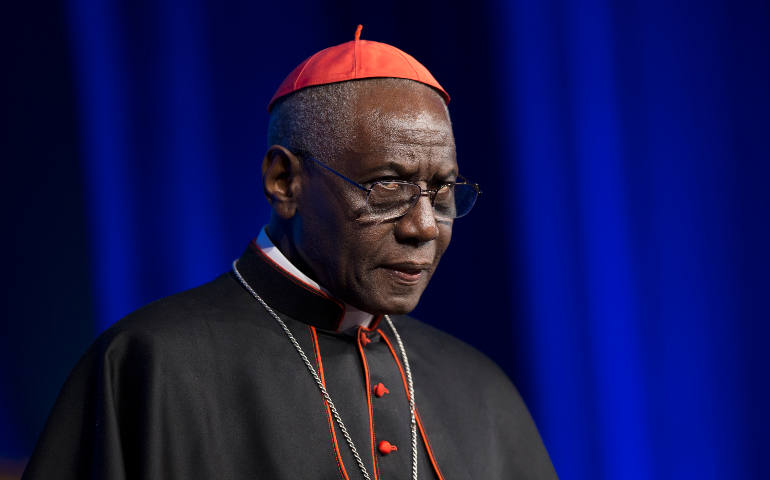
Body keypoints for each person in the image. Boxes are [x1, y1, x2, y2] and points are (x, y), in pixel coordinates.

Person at [23, 26, 557, 480]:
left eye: (441, 192)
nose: (423, 226)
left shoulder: (480, 389)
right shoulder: (147, 365)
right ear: (284, 181)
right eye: (387, 186)